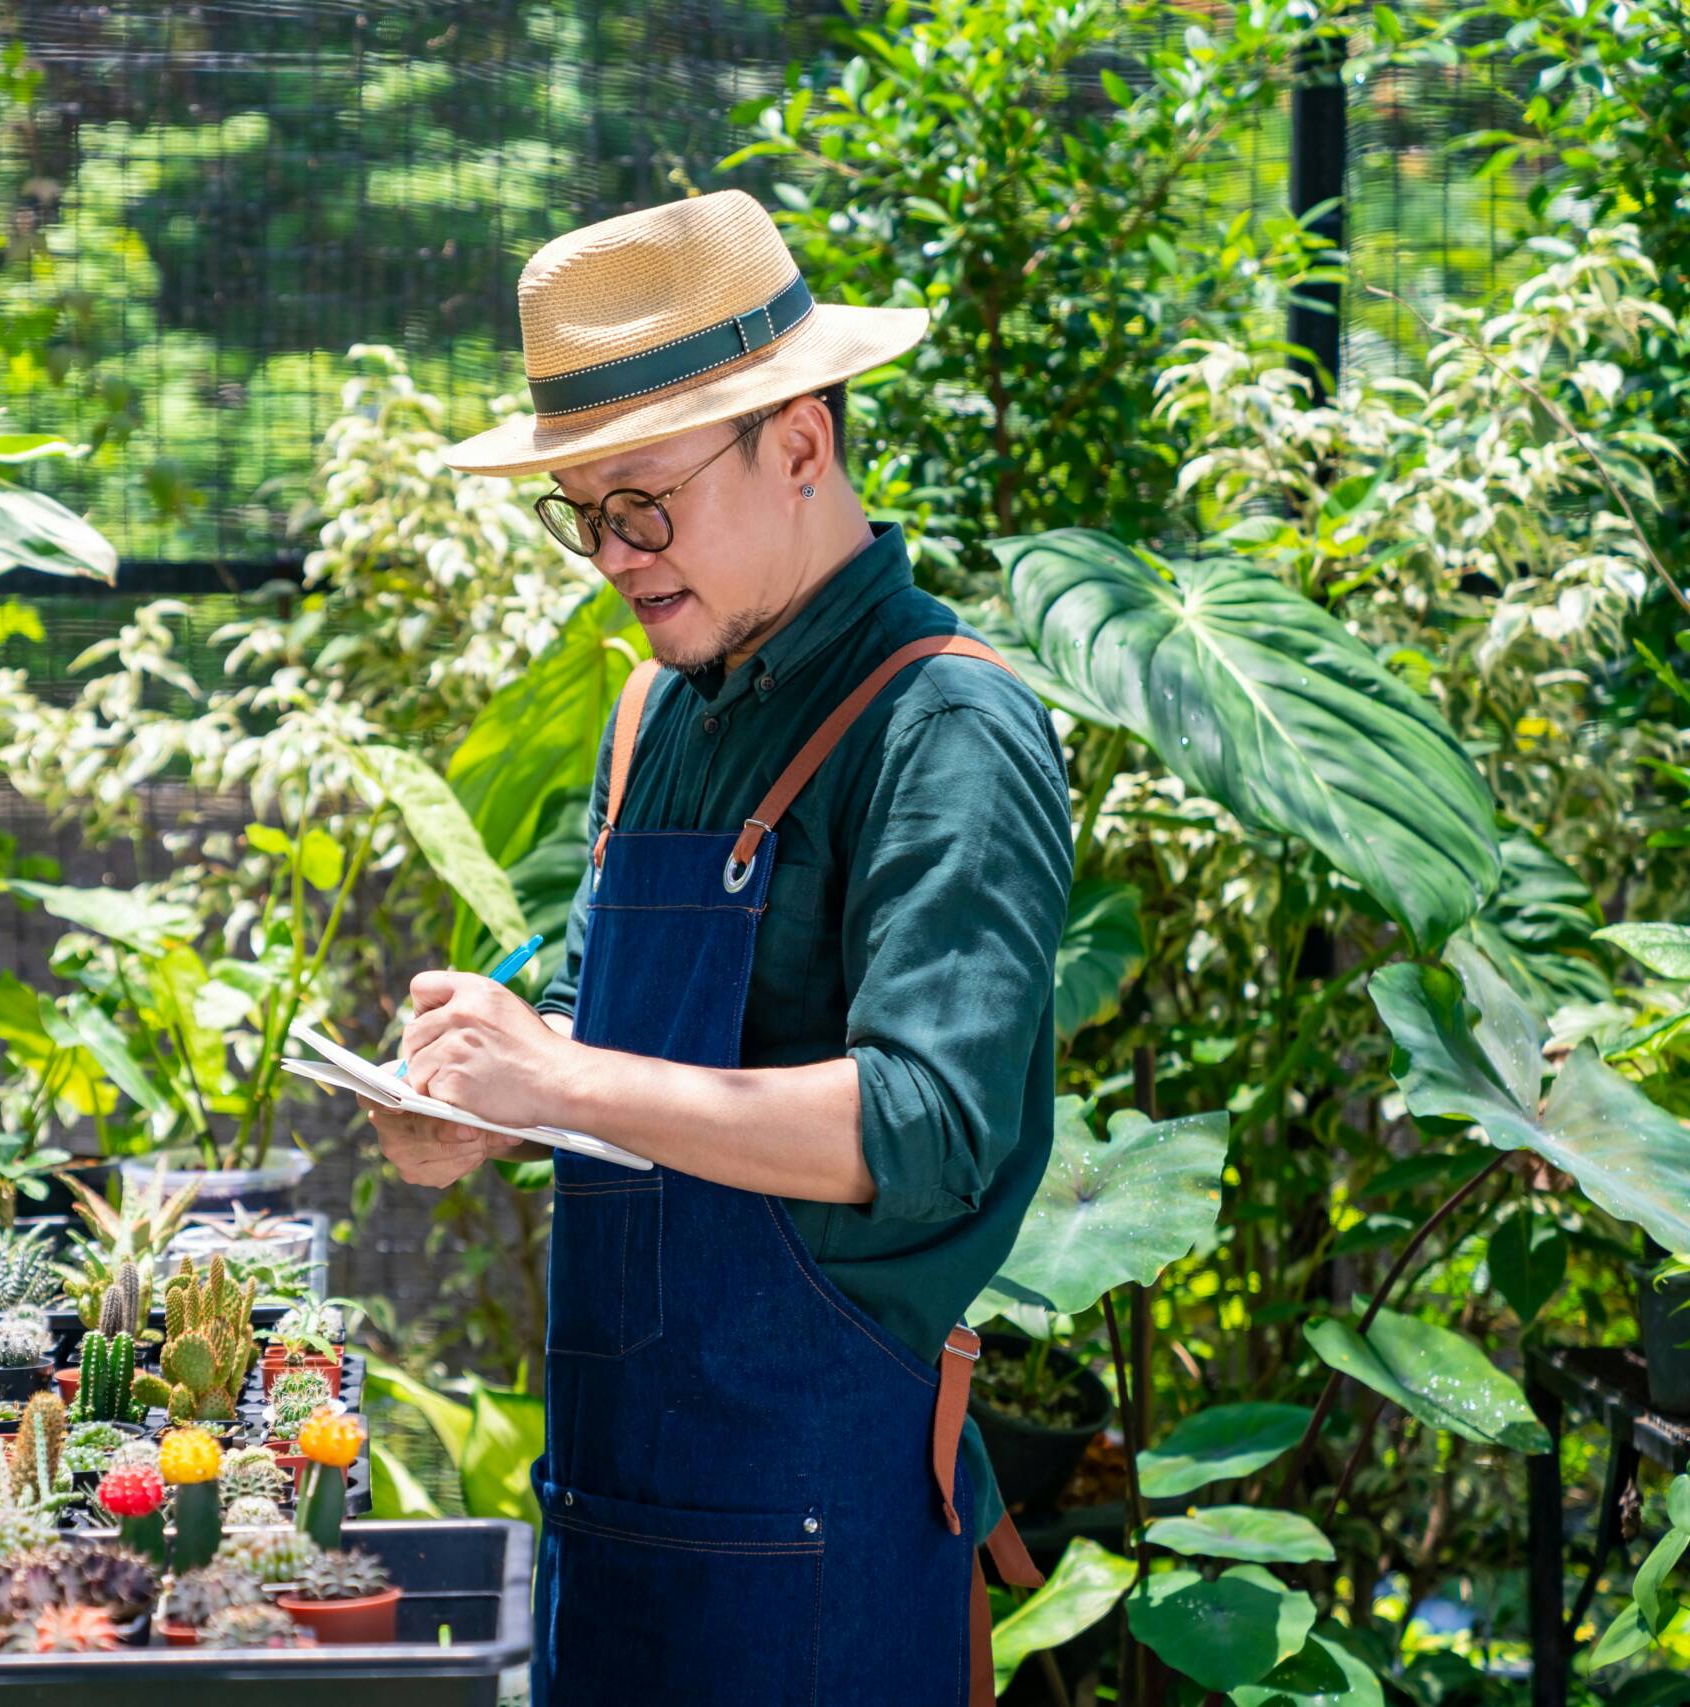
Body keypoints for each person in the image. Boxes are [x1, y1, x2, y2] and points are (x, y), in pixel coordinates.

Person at [367, 190, 1074, 1706]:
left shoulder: (945, 731)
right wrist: (475, 1103)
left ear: (802, 444)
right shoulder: (655, 720)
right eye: (584, 514)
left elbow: (928, 1129)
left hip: (816, 1564)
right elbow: (588, 1025)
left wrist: (561, 1081)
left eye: (645, 502)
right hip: (618, 1535)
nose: (614, 554)